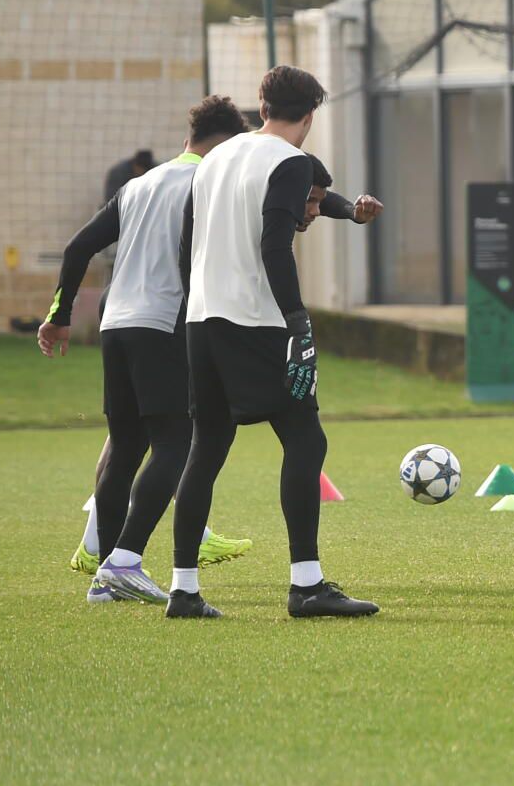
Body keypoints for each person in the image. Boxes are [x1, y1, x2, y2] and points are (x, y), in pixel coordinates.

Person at [164, 65, 377, 620]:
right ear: (310, 116)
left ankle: (183, 589)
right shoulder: (293, 161)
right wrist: (297, 319)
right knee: (306, 441)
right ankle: (306, 586)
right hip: (256, 322)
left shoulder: (213, 160)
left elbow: (188, 246)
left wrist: (195, 309)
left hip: (203, 322)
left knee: (206, 448)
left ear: (261, 105)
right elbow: (275, 241)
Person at [45, 98, 256, 600]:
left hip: (115, 325)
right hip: (163, 324)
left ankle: (105, 579)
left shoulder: (137, 185)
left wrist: (59, 316)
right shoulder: (207, 184)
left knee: (124, 444)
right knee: (175, 443)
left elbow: (78, 248)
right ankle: (124, 562)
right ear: (223, 143)